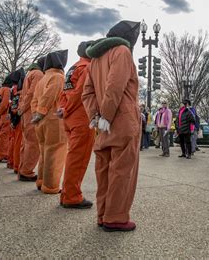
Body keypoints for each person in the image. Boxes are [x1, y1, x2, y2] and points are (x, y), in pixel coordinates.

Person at [82, 20, 141, 232]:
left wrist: (96, 117)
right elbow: (115, 85)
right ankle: (115, 217)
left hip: (102, 124)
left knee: (104, 170)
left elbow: (87, 92)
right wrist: (106, 114)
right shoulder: (122, 51)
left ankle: (103, 214)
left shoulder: (94, 60)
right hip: (123, 120)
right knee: (122, 170)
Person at [58, 41, 95, 209]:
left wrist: (62, 109)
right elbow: (80, 93)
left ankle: (68, 192)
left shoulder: (73, 68)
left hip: (69, 118)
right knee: (78, 158)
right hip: (81, 117)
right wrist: (66, 109)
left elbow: (64, 93)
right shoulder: (87, 67)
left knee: (72, 156)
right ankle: (72, 196)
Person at [31, 50, 68, 194]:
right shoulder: (58, 77)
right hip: (53, 119)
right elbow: (50, 96)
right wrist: (41, 112)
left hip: (40, 121)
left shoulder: (42, 79)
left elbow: (34, 99)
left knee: (44, 152)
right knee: (55, 152)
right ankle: (51, 186)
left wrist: (36, 114)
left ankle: (41, 181)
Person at [17, 57, 45, 181]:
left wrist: (21, 109)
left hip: (25, 113)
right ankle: (26, 171)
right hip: (30, 112)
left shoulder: (30, 73)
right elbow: (32, 94)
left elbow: (26, 94)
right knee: (33, 144)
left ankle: (22, 168)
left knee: (26, 143)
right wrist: (24, 108)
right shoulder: (38, 74)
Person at [7, 68, 26, 172]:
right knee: (19, 143)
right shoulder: (21, 90)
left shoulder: (11, 89)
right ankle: (16, 165)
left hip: (13, 117)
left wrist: (12, 119)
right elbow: (20, 105)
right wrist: (16, 120)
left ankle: (11, 161)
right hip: (18, 118)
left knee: (12, 140)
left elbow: (11, 104)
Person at [0, 77, 13, 162]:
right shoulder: (7, 90)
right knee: (5, 136)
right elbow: (5, 103)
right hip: (5, 115)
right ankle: (3, 155)